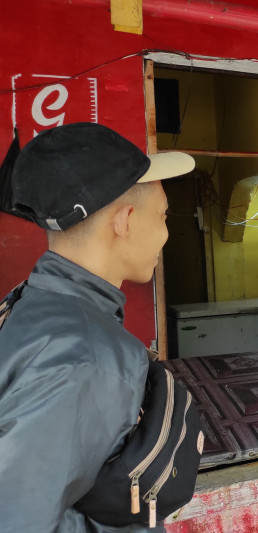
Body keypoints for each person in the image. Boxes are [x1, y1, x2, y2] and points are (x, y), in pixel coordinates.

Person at [0, 122, 195, 532]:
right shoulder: (83, 355)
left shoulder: (30, 301)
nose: (165, 234)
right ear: (124, 221)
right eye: (162, 215)